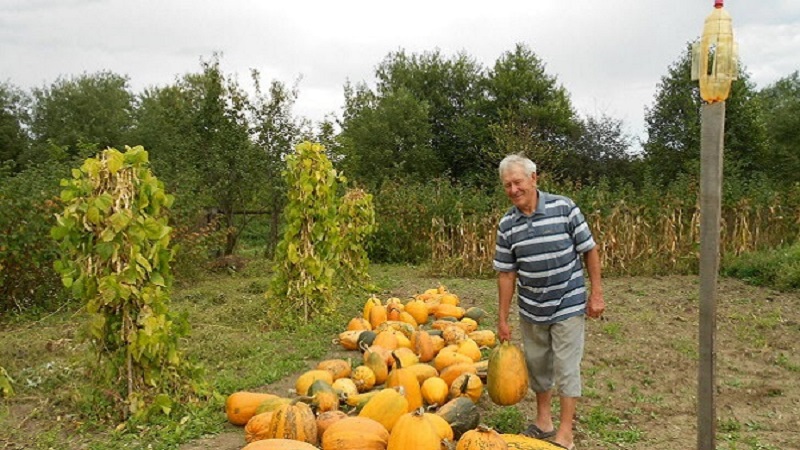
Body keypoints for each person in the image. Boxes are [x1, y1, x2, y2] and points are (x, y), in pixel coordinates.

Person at [494, 154, 604, 450]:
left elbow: (589, 250)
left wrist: (596, 293)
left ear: (534, 178)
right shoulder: (507, 224)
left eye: (518, 182)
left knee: (567, 367)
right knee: (538, 365)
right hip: (532, 307)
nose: (513, 189)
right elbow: (506, 273)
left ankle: (565, 433)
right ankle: (544, 421)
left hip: (567, 301)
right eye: (507, 185)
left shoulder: (564, 208)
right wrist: (503, 318)